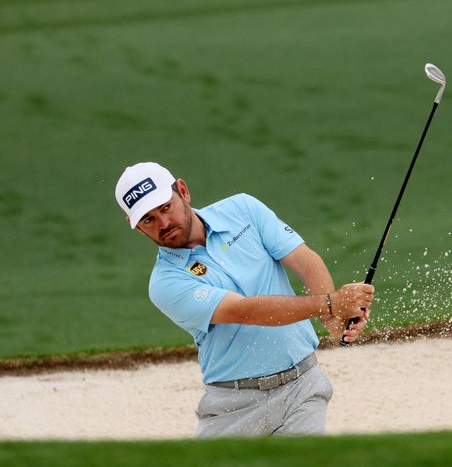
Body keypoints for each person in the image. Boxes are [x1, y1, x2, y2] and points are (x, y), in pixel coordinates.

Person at [114, 161, 373, 438]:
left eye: (166, 207)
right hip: (234, 405)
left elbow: (305, 262)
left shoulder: (242, 209)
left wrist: (332, 320)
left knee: (305, 466)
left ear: (183, 191)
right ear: (136, 227)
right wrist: (331, 303)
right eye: (148, 219)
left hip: (303, 386)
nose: (163, 223)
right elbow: (246, 311)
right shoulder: (165, 283)